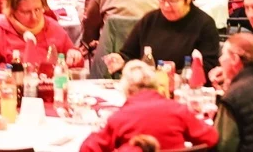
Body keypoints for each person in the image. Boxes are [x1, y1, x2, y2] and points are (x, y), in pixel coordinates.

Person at [79, 58, 218, 152]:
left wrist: (98, 130)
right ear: (156, 85)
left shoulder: (118, 119)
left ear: (126, 89)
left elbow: (87, 149)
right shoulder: (179, 110)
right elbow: (211, 138)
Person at [100, 0, 219, 78]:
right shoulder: (150, 20)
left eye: (172, 0)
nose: (166, 6)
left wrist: (176, 77)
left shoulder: (204, 25)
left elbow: (207, 67)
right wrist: (120, 61)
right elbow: (128, 54)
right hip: (147, 86)